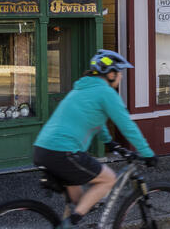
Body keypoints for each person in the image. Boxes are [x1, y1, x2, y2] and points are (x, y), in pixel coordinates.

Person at [33, 49, 157, 229]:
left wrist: (109, 142)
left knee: (81, 201)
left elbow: (95, 119)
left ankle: (73, 222)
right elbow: (127, 126)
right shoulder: (106, 93)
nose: (121, 77)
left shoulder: (81, 89)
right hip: (64, 152)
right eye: (119, 73)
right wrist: (147, 153)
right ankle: (68, 225)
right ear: (111, 73)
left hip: (42, 150)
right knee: (108, 179)